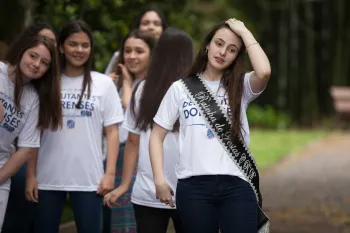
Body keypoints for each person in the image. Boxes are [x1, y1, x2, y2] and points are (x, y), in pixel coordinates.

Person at [149, 18, 271, 233]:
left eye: (232, 49)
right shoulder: (181, 88)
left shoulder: (240, 86)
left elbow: (264, 72)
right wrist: (159, 179)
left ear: (237, 56)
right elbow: (156, 135)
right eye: (219, 43)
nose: (223, 52)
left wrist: (244, 31)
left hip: (237, 185)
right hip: (193, 187)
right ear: (207, 44)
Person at [25, 20, 124, 233]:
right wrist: (31, 175)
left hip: (90, 180)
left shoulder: (103, 84)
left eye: (85, 45)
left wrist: (110, 174)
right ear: (60, 47)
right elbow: (34, 132)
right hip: (47, 178)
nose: (79, 50)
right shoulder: (47, 82)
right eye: (73, 44)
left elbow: (112, 132)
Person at [104, 27, 193, 233]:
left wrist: (125, 185)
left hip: (150, 189)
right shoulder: (195, 91)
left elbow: (133, 142)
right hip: (189, 191)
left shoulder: (142, 88)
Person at [0, 34, 61, 229]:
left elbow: (26, 149)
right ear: (21, 52)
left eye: (44, 63)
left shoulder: (33, 99)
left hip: (2, 169)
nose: (36, 64)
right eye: (33, 56)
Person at [102, 29, 156, 233]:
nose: (132, 56)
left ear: (152, 54)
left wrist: (126, 83)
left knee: (136, 219)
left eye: (139, 51)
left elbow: (134, 111)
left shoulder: (155, 86)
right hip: (114, 156)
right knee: (117, 218)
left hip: (140, 158)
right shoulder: (114, 83)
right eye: (128, 50)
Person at [104, 6, 166, 77]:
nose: (151, 27)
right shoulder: (119, 56)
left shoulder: (170, 56)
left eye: (156, 24)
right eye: (145, 23)